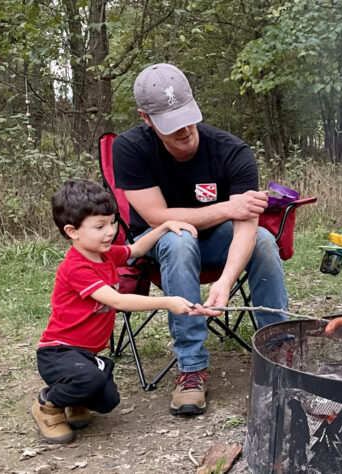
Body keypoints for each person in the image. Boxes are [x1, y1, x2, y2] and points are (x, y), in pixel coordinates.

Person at [112, 63, 289, 416]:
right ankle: (191, 369)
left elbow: (246, 227)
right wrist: (227, 207)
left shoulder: (232, 151)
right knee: (179, 237)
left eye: (187, 116)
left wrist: (225, 281)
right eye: (169, 122)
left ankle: (279, 354)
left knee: (266, 241)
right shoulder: (129, 148)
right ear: (146, 118)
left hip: (220, 242)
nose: (184, 129)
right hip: (160, 243)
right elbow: (158, 218)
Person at [32, 179, 203, 443]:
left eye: (112, 222)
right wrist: (168, 301)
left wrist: (164, 227)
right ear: (72, 231)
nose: (110, 231)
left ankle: (75, 401)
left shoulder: (105, 255)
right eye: (99, 226)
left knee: (107, 400)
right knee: (90, 380)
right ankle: (48, 404)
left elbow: (135, 249)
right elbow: (119, 301)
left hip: (85, 355)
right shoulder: (77, 267)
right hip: (58, 352)